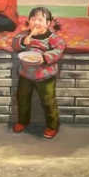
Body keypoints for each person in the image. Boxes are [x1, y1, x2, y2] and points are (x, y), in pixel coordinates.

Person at [11, 7, 66, 138]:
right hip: (26, 74)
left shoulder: (53, 38)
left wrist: (45, 57)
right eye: (33, 19)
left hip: (45, 75)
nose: (36, 23)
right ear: (29, 22)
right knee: (22, 98)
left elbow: (59, 48)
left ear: (48, 23)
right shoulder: (24, 35)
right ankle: (22, 121)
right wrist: (22, 42)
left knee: (48, 101)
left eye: (40, 20)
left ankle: (52, 126)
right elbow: (15, 44)